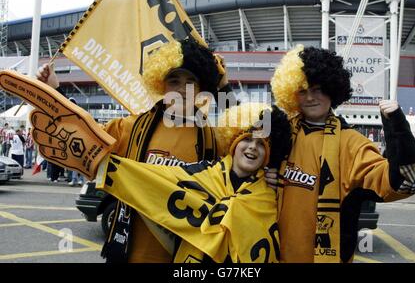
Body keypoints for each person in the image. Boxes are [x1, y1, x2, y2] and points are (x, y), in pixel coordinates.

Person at [35, 38, 232, 263]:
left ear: (201, 88)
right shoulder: (133, 127)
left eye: (191, 81)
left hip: (185, 256)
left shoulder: (212, 138)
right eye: (174, 80)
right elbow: (84, 131)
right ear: (161, 84)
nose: (182, 89)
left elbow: (248, 136)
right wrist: (54, 91)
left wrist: (224, 87)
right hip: (131, 253)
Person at [266, 45, 415, 263]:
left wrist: (397, 127)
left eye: (318, 89)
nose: (311, 97)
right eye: (303, 90)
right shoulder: (278, 132)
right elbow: (236, 159)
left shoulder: (352, 144)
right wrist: (264, 174)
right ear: (291, 93)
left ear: (333, 89)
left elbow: (406, 182)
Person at [92, 102, 290, 262]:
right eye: (247, 139)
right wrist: (100, 161)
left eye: (261, 144)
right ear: (234, 142)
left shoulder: (270, 196)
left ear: (267, 155)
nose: (252, 147)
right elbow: (153, 179)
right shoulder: (201, 173)